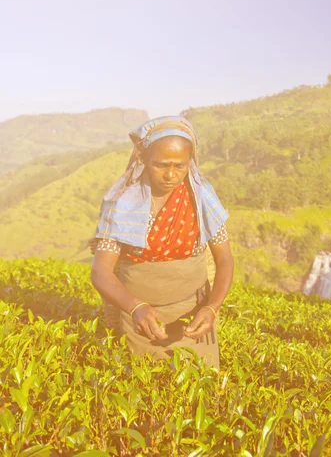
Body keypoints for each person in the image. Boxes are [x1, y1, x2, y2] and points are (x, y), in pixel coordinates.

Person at [90, 116, 234, 369]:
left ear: (191, 162)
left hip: (194, 316)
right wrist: (136, 308)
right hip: (141, 321)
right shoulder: (123, 204)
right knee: (143, 390)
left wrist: (211, 308)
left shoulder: (202, 200)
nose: (170, 175)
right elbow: (101, 272)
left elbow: (224, 259)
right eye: (161, 165)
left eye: (180, 166)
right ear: (143, 159)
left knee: (200, 389)